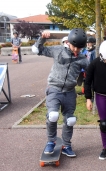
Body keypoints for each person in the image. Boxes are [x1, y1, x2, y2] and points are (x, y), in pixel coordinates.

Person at [32, 28, 89, 157]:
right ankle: (51, 141)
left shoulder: (83, 58)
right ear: (68, 42)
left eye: (79, 48)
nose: (76, 50)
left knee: (70, 120)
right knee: (52, 116)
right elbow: (37, 50)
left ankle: (66, 145)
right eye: (74, 46)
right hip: (54, 89)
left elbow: (92, 72)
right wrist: (42, 38)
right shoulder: (57, 50)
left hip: (69, 92)